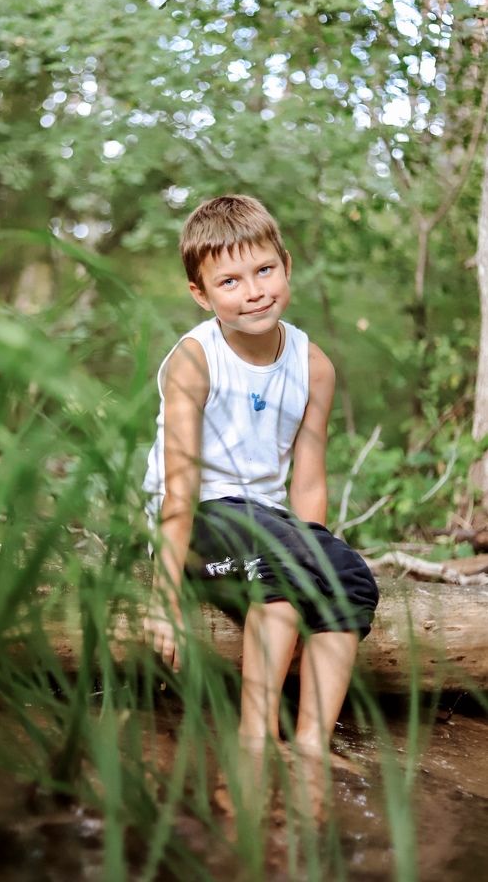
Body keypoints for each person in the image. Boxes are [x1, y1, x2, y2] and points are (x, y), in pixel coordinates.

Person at [142, 194, 379, 770]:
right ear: (201, 294)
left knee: (352, 578)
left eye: (265, 270)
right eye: (230, 281)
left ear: (286, 264)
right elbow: (179, 486)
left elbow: (308, 483)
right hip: (199, 518)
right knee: (280, 554)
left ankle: (311, 745)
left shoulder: (311, 364)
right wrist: (163, 595)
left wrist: (313, 558)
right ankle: (255, 738)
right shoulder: (196, 360)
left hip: (267, 524)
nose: (254, 291)